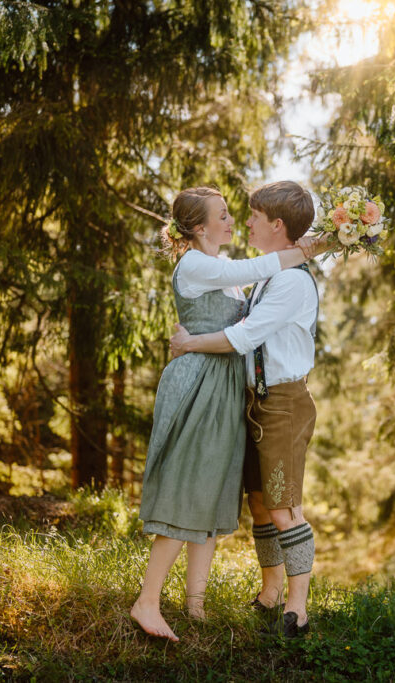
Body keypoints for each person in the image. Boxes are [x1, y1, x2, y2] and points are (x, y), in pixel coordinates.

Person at [130, 186, 319, 642]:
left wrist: (311, 249)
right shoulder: (204, 265)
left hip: (241, 394)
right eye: (226, 214)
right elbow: (249, 285)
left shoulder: (242, 276)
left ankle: (208, 604)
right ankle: (148, 601)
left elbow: (243, 326)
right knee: (194, 488)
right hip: (206, 387)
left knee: (226, 497)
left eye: (244, 214)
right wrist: (314, 247)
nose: (237, 221)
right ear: (198, 227)